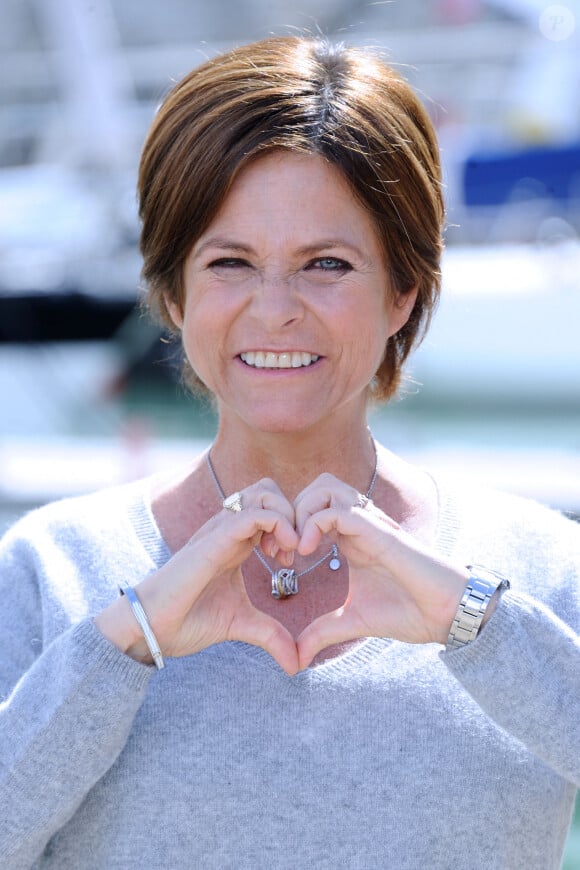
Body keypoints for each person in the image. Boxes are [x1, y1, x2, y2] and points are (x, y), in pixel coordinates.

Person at [1, 35, 579, 870]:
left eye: (327, 265)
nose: (275, 310)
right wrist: (125, 643)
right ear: (172, 291)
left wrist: (476, 627)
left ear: (403, 291)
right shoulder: (52, 570)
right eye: (230, 262)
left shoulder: (542, 569)